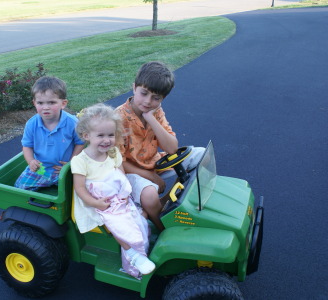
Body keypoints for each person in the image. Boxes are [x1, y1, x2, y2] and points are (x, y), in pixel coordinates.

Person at [115, 61, 204, 231]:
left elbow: (172, 148)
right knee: (149, 195)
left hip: (155, 162)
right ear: (134, 88)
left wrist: (150, 118)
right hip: (131, 171)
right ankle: (164, 229)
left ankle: (171, 202)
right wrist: (151, 177)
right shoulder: (118, 118)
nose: (148, 101)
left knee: (200, 155)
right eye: (144, 93)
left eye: (156, 98)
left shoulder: (155, 112)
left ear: (163, 98)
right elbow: (117, 161)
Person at [71, 103, 155, 278]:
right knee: (117, 224)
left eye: (110, 135)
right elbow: (79, 189)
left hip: (117, 196)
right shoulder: (80, 160)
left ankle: (140, 244)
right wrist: (96, 203)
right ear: (86, 136)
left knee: (137, 218)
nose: (106, 140)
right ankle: (133, 255)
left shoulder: (113, 152)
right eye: (100, 135)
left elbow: (120, 175)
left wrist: (125, 194)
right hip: (97, 201)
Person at [14, 76, 84, 191]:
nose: (45, 107)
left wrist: (71, 163)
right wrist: (31, 161)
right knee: (19, 187)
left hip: (63, 169)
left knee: (79, 190)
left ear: (63, 103)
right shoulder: (31, 124)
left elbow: (80, 143)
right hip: (41, 169)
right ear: (34, 103)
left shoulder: (72, 123)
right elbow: (27, 146)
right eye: (40, 103)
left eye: (51, 102)